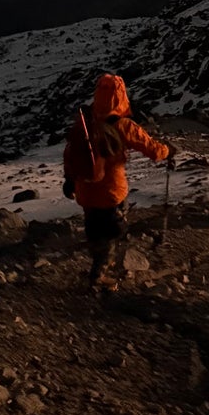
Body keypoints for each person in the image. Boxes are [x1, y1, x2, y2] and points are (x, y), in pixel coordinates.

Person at [62, 72, 171, 287]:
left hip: (85, 190)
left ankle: (97, 258)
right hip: (112, 192)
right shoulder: (124, 126)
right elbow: (153, 150)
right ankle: (99, 274)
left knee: (94, 226)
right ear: (122, 97)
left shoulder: (85, 127)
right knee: (111, 232)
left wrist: (70, 180)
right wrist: (167, 151)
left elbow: (69, 154)